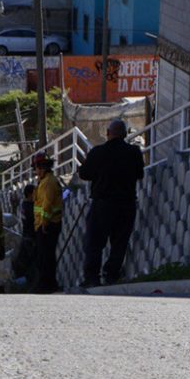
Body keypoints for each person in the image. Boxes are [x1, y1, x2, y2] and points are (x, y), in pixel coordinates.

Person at [78, 119, 145, 287]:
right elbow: (139, 174)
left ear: (108, 133)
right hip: (126, 203)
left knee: (95, 242)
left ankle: (92, 277)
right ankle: (111, 275)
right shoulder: (134, 152)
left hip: (103, 203)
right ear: (124, 134)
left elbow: (84, 174)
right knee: (119, 242)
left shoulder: (98, 152)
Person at [32, 153, 63, 293]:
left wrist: (44, 224)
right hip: (46, 224)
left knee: (45, 257)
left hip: (48, 225)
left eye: (36, 168)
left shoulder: (48, 183)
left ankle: (45, 285)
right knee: (46, 256)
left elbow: (47, 205)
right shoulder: (45, 181)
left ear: (42, 168)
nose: (35, 171)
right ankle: (48, 283)